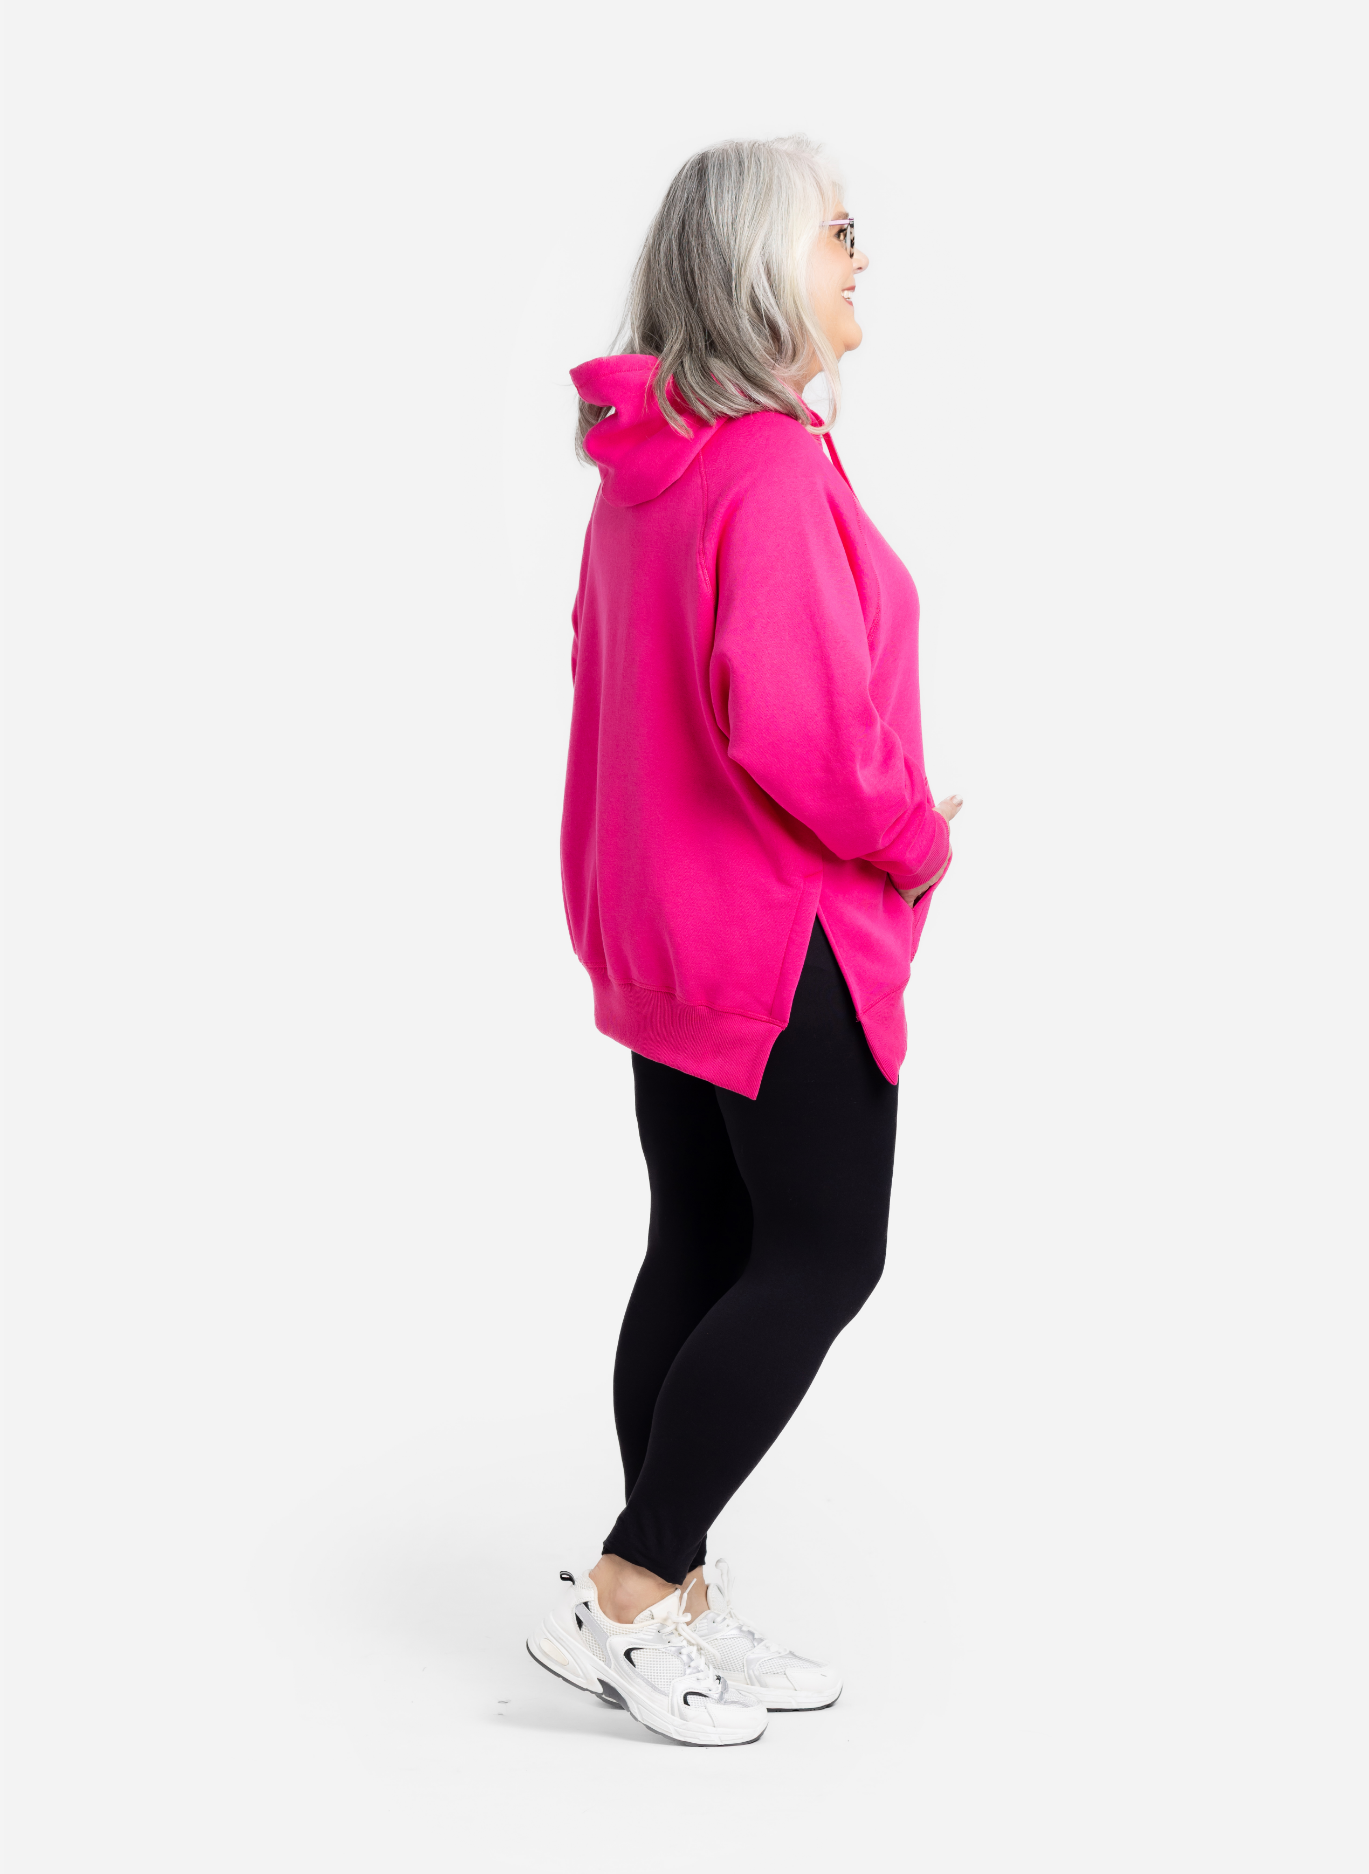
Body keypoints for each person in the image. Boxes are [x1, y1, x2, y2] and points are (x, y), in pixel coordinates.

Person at [527, 135, 961, 1747]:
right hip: (784, 943)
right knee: (825, 1255)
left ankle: (676, 1594)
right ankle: (630, 1588)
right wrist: (914, 836)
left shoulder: (650, 465)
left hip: (668, 931)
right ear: (767, 263)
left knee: (705, 1247)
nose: (862, 253)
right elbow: (798, 731)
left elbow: (617, 685)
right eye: (838, 229)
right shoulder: (766, 468)